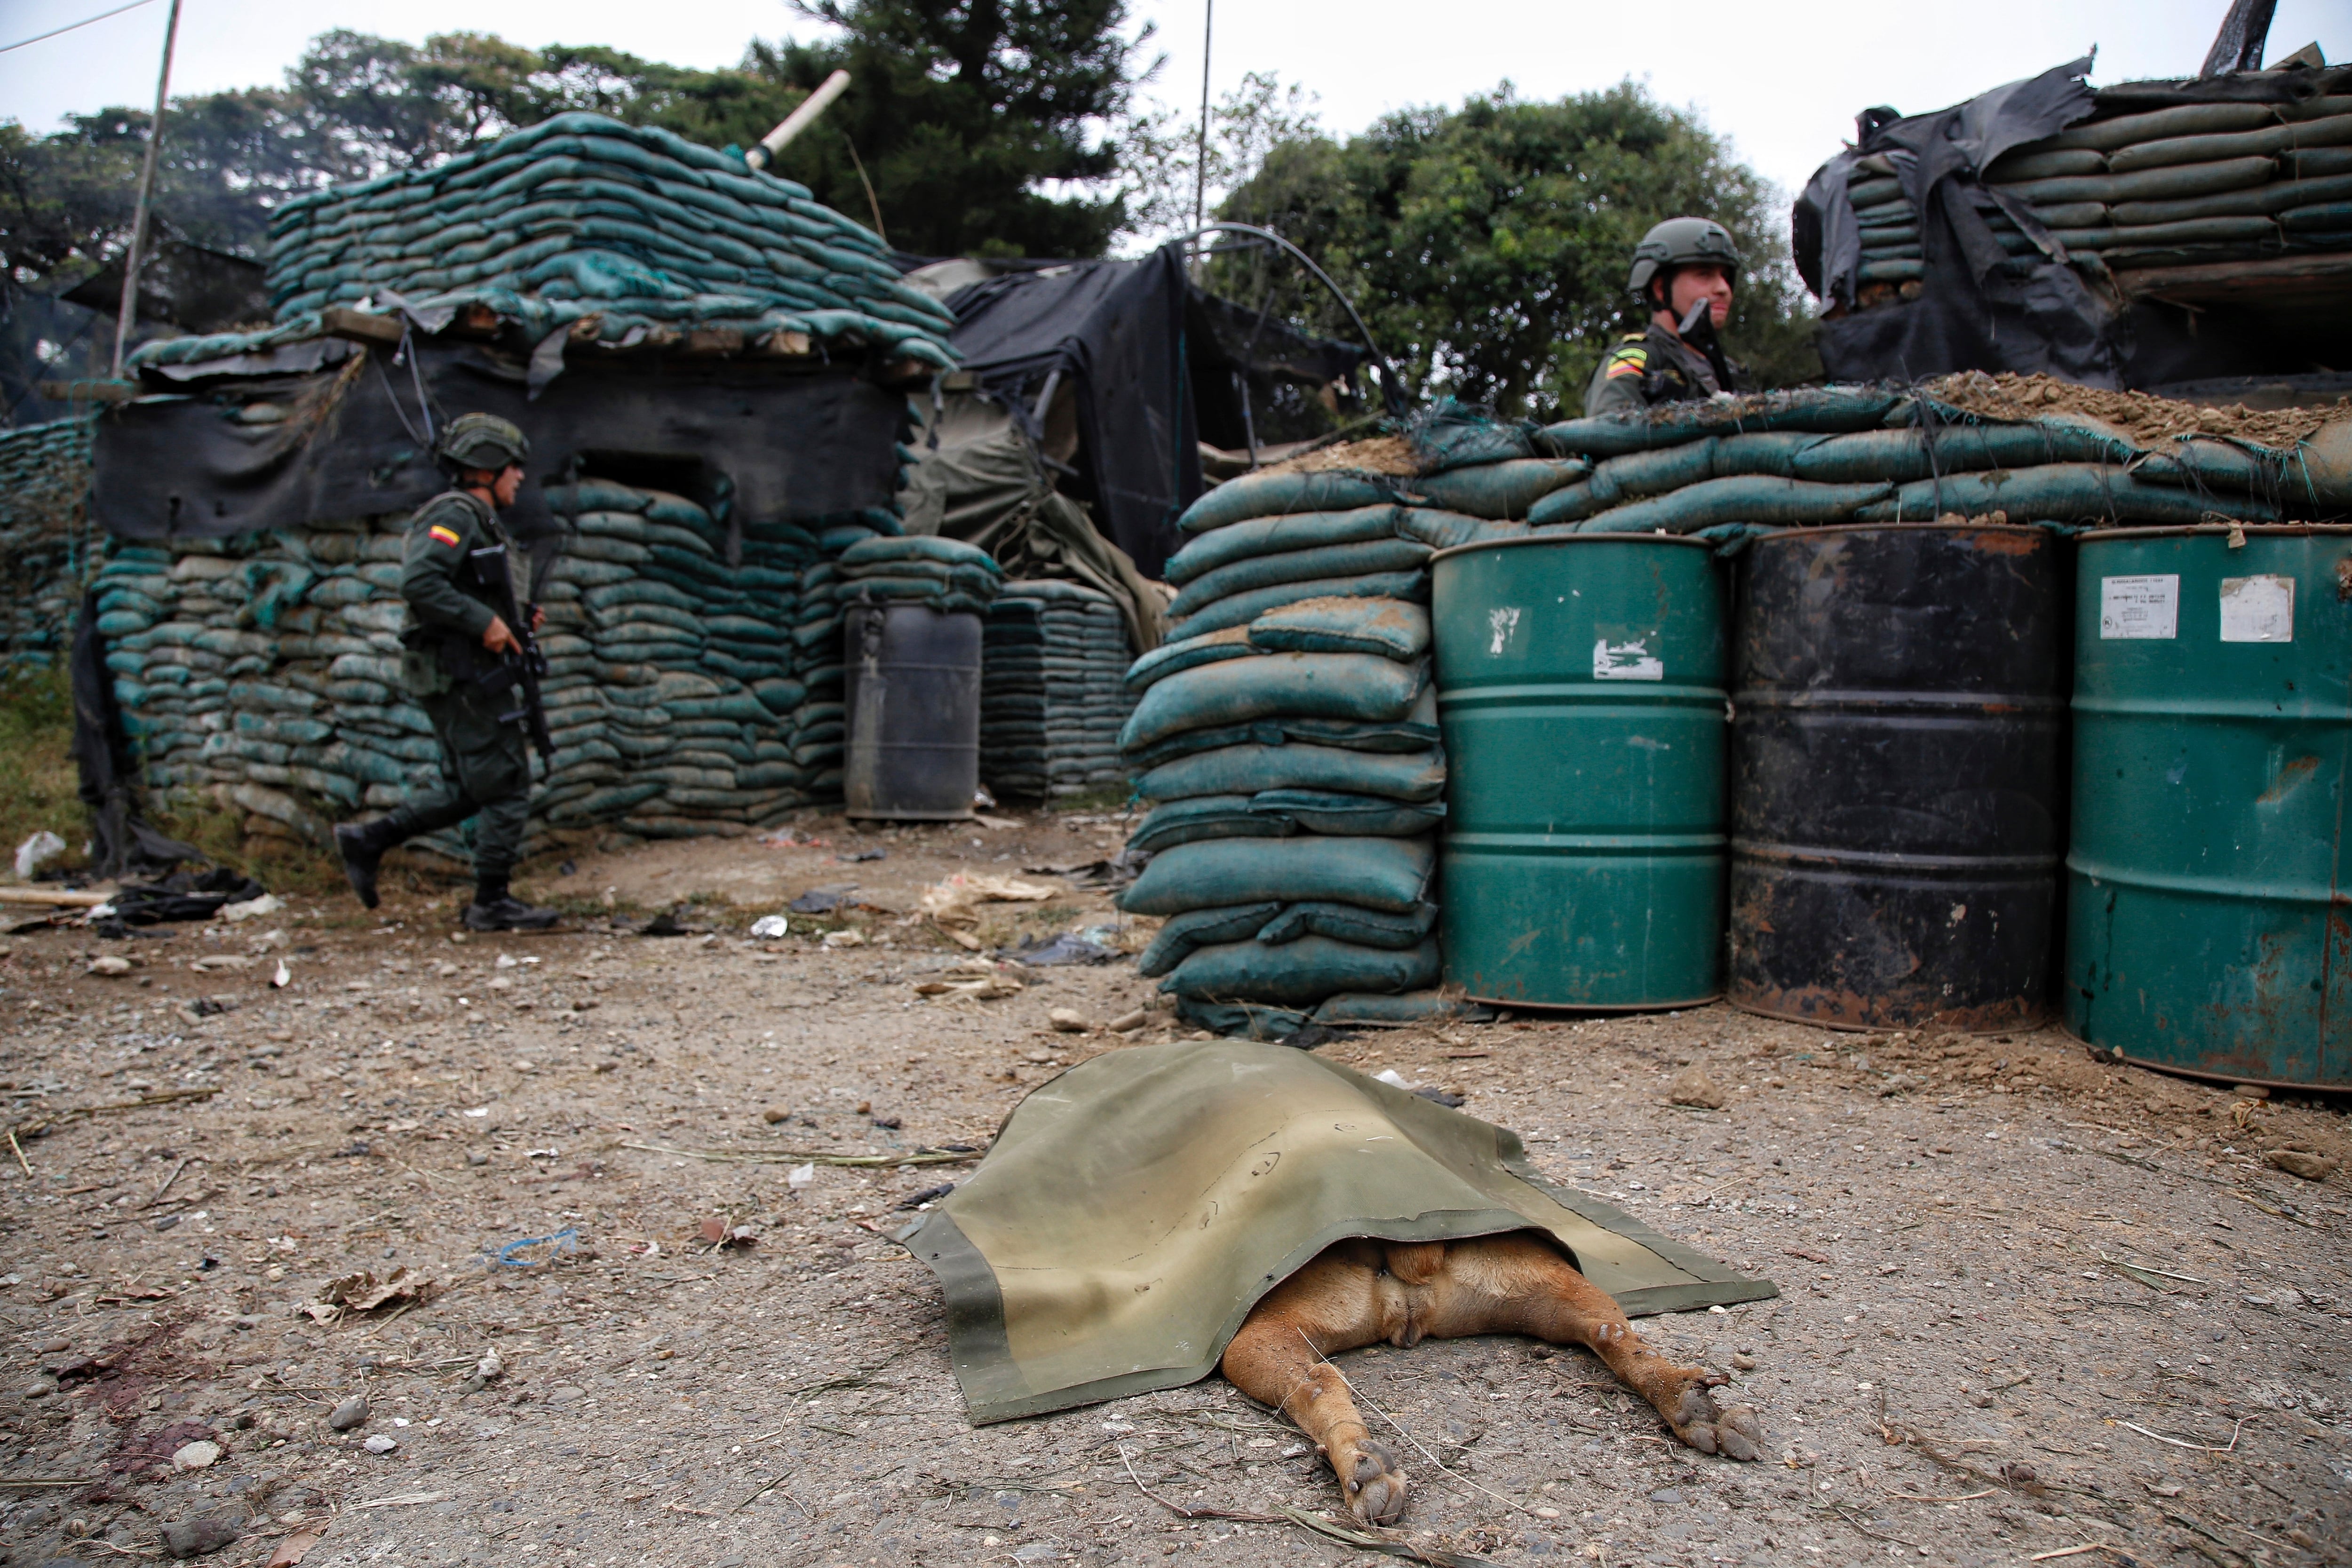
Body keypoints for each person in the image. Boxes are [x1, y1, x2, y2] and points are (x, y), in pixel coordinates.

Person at [334, 414, 559, 931]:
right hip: (462, 675)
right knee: (505, 784)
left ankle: (368, 841)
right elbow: (421, 581)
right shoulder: (455, 514)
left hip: (465, 673)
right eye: (512, 468)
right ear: (487, 467)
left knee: (468, 787)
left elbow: (464, 584)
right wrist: (485, 623)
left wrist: (513, 617)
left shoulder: (477, 520)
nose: (519, 478)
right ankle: (491, 901)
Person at [1582, 217, 1749, 419]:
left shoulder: (1729, 371)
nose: (1723, 289)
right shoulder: (1637, 359)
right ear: (1662, 289)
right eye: (1704, 274)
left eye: (1725, 276)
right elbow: (1610, 429)